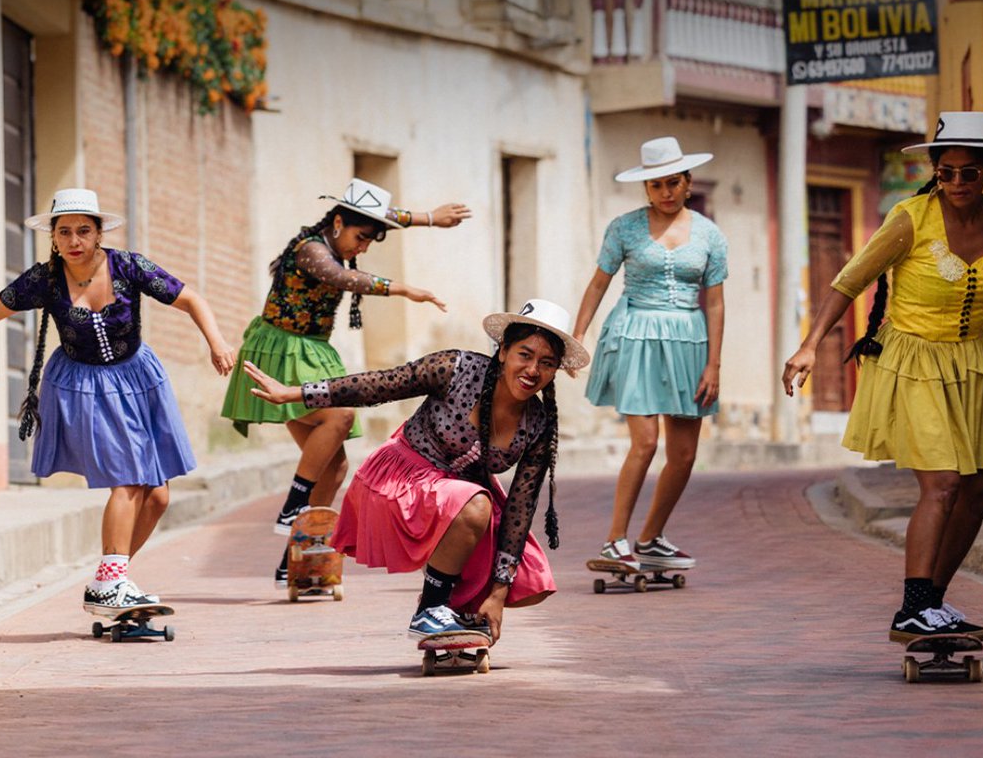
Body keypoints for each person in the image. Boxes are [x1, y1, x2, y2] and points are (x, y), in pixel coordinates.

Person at [782, 111, 983, 643]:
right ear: (934, 172)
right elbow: (849, 282)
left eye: (970, 172)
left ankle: (930, 604)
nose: (958, 183)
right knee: (941, 484)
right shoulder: (909, 218)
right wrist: (809, 346)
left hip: (974, 363)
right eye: (947, 172)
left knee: (981, 490)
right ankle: (913, 606)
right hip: (913, 360)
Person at [0, 188, 235, 614]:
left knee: (157, 496)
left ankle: (109, 581)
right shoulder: (44, 279)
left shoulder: (128, 267)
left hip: (137, 378)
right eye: (64, 232)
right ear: (54, 238)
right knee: (130, 478)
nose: (74, 240)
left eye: (83, 230)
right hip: (83, 386)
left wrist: (217, 341)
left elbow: (190, 299)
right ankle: (112, 583)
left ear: (98, 234)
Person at [242, 299, 589, 643]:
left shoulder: (539, 424)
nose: (532, 370)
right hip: (402, 478)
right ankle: (430, 610)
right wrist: (298, 393)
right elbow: (382, 384)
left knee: (531, 580)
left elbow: (520, 507)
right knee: (474, 506)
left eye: (546, 363)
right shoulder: (456, 368)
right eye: (524, 355)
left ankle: (452, 606)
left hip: (461, 496)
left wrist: (497, 594)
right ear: (503, 352)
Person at [218, 178, 469, 586]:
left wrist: (430, 219)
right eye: (360, 238)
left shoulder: (340, 234)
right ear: (338, 222)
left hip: (313, 351)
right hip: (282, 349)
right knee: (339, 416)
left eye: (370, 241)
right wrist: (403, 288)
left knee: (335, 467)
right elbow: (340, 278)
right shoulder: (311, 250)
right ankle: (292, 505)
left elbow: (388, 216)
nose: (363, 247)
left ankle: (297, 560)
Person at [571, 136, 727, 570]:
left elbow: (714, 302)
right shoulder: (623, 228)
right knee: (645, 442)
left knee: (684, 455)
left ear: (688, 182)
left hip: (689, 343)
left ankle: (651, 537)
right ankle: (614, 540)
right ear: (646, 188)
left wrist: (714, 363)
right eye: (656, 185)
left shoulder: (710, 234)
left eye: (673, 183)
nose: (665, 193)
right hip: (636, 334)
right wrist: (577, 335)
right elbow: (599, 283)